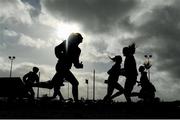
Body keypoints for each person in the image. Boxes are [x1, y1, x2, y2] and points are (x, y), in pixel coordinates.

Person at [51, 33, 83, 102]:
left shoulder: (78, 50)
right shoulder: (67, 43)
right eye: (78, 41)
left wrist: (79, 65)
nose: (78, 43)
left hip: (64, 68)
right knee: (75, 83)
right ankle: (76, 101)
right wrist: (61, 57)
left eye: (79, 42)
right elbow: (56, 49)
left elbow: (76, 63)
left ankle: (32, 84)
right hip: (61, 67)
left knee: (53, 84)